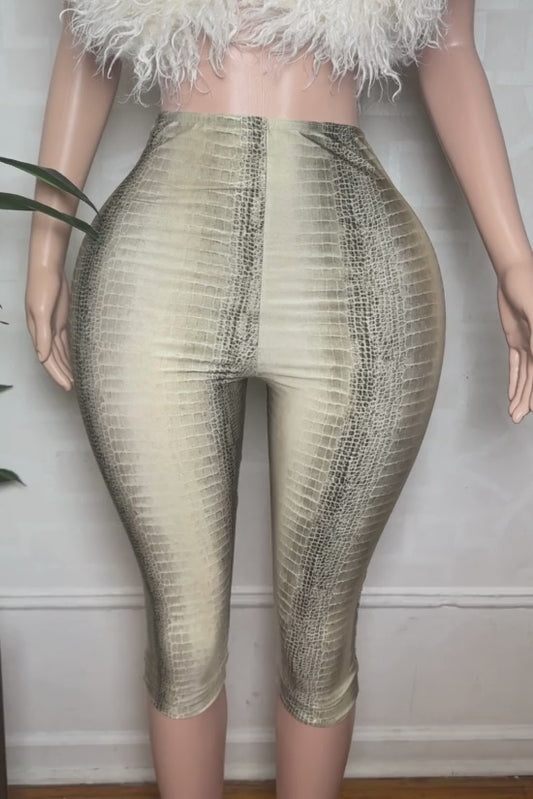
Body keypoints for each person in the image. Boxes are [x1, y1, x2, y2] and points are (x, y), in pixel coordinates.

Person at [24, 1, 533, 797]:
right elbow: (87, 38)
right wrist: (44, 245)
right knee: (183, 639)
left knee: (320, 639)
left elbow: (450, 45)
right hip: (157, 267)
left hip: (353, 268)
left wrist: (514, 259)